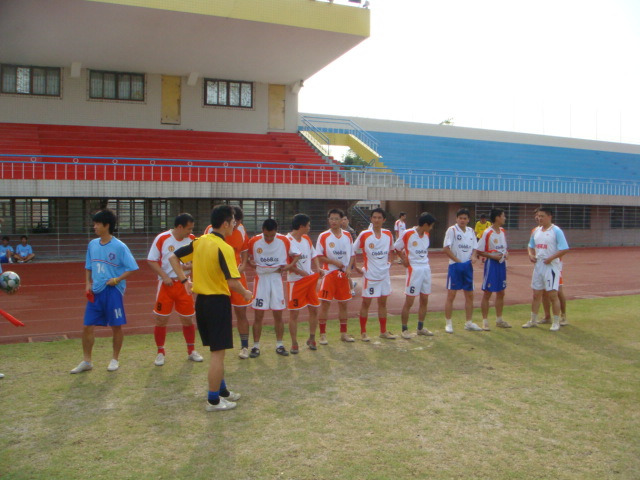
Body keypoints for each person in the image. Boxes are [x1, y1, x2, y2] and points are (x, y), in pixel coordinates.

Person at [169, 205, 253, 412]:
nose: (234, 225)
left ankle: (222, 391)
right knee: (218, 354)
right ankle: (213, 400)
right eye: (233, 222)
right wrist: (245, 292)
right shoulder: (224, 247)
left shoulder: (200, 241)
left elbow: (173, 258)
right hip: (217, 302)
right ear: (225, 224)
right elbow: (232, 281)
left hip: (202, 303)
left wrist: (184, 281)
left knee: (217, 350)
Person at [70, 209, 139, 374]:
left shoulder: (120, 246)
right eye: (94, 224)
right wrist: (87, 283)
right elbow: (88, 266)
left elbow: (132, 268)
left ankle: (115, 359)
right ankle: (87, 361)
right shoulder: (92, 244)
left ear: (107, 225)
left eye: (97, 224)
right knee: (87, 326)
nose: (94, 227)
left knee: (116, 326)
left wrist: (117, 280)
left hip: (113, 291)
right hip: (96, 291)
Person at [146, 213, 203, 366]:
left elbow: (197, 261)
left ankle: (191, 351)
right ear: (179, 227)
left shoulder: (192, 240)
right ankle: (160, 352)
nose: (190, 232)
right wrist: (164, 276)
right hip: (166, 285)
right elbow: (151, 260)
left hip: (184, 285)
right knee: (161, 319)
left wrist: (191, 268)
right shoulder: (162, 238)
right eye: (188, 229)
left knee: (188, 318)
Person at [205, 207, 254, 359]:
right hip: (219, 279)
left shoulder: (241, 230)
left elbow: (244, 250)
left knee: (241, 312)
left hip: (237, 277)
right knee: (218, 314)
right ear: (227, 221)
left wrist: (243, 265)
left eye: (238, 222)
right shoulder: (211, 230)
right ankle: (218, 346)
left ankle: (244, 347)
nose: (236, 225)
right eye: (234, 222)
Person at [247, 219, 300, 357]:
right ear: (262, 230)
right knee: (258, 314)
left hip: (276, 279)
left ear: (276, 231)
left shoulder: (284, 240)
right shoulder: (254, 241)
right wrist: (250, 263)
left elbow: (297, 254)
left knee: (278, 314)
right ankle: (255, 346)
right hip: (261, 279)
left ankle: (280, 345)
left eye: (272, 235)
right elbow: (246, 256)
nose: (269, 238)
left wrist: (289, 266)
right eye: (266, 235)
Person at [522, 207, 570, 332]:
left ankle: (556, 321)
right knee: (536, 294)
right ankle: (533, 320)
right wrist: (531, 254)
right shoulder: (536, 231)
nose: (539, 218)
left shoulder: (556, 231)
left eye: (542, 216)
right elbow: (530, 245)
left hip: (551, 266)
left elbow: (564, 248)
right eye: (538, 216)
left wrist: (551, 258)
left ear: (549, 217)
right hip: (538, 266)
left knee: (553, 294)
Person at [354, 208, 396, 341]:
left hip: (384, 275)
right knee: (366, 303)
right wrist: (355, 266)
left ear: (384, 220)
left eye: (379, 218)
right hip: (370, 275)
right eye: (374, 217)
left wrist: (390, 262)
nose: (377, 220)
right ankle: (363, 332)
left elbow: (392, 250)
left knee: (383, 303)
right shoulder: (364, 234)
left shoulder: (388, 234)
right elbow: (352, 250)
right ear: (371, 219)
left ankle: (383, 331)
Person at [316, 208, 356, 344]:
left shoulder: (347, 235)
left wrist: (349, 268)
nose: (333, 221)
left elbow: (352, 254)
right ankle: (322, 335)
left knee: (344, 304)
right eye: (331, 219)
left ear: (342, 220)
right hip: (329, 274)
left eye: (336, 219)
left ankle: (343, 334)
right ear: (328, 220)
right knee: (325, 304)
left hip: (343, 275)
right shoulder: (323, 236)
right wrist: (334, 262)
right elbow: (319, 256)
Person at [394, 212, 437, 338]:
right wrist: (403, 259)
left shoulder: (426, 235)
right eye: (431, 225)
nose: (431, 228)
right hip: (414, 270)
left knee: (424, 299)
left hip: (426, 269)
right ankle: (404, 329)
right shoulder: (408, 233)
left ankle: (420, 328)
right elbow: (396, 247)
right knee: (409, 301)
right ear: (425, 224)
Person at [286, 214, 323, 352]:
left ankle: (312, 338)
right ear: (301, 226)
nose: (309, 228)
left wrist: (318, 268)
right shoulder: (286, 240)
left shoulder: (306, 238)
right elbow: (287, 264)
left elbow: (314, 255)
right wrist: (301, 273)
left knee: (314, 309)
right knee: (294, 313)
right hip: (295, 282)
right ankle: (294, 343)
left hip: (309, 280)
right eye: (308, 225)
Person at [443, 208, 483, 333]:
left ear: (468, 220)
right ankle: (448, 323)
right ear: (456, 219)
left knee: (469, 295)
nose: (462, 220)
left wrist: (473, 256)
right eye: (460, 218)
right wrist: (457, 260)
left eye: (465, 218)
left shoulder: (471, 231)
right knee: (451, 295)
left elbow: (475, 248)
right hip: (455, 266)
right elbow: (446, 248)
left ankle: (469, 323)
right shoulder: (452, 230)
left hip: (467, 267)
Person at [476, 208, 511, 330]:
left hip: (502, 264)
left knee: (501, 292)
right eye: (503, 216)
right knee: (488, 292)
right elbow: (479, 250)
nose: (505, 218)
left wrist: (506, 253)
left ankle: (499, 320)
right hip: (491, 264)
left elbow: (504, 247)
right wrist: (492, 256)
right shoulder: (487, 233)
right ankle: (485, 322)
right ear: (497, 217)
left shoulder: (502, 231)